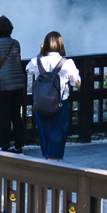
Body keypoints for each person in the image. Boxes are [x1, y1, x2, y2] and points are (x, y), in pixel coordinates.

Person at [25, 32, 80, 161]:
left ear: (45, 45)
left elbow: (28, 70)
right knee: (57, 136)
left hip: (41, 102)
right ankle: (52, 166)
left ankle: (48, 161)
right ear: (61, 44)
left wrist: (40, 52)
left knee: (44, 134)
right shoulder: (67, 63)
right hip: (60, 103)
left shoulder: (36, 61)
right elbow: (77, 83)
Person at [0, 16, 25, 153]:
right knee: (16, 116)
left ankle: (5, 145)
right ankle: (19, 145)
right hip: (18, 83)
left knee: (4, 116)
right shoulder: (16, 43)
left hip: (3, 84)